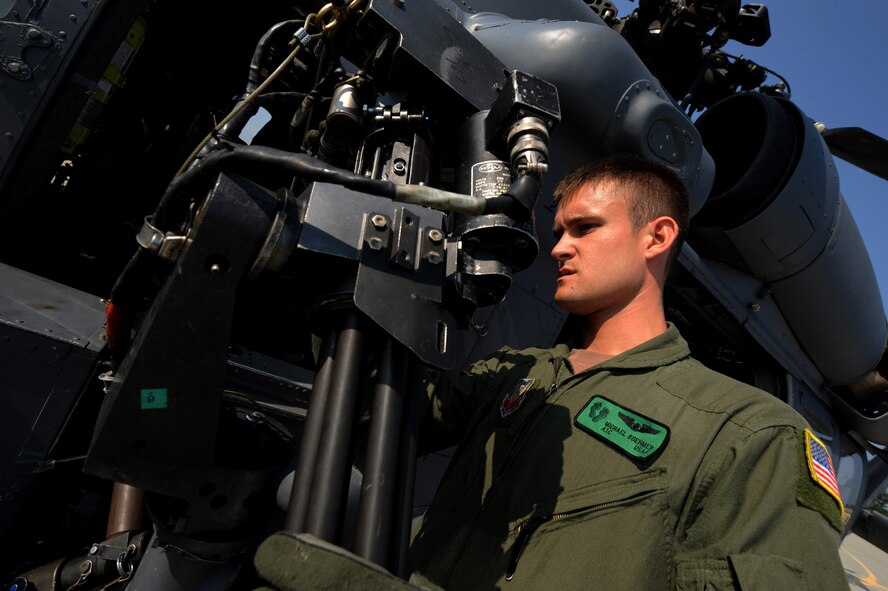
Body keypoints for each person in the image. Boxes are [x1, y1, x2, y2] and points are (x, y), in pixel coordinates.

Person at [405, 155, 848, 590]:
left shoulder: (750, 434)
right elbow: (387, 413)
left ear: (656, 237)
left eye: (586, 227)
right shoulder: (516, 372)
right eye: (560, 232)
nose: (558, 248)